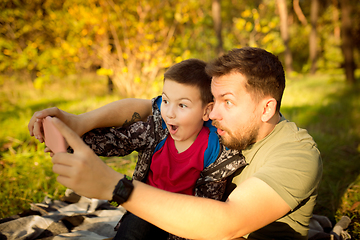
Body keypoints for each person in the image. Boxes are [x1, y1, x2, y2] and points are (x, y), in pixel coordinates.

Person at [29, 47, 322, 239]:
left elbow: (229, 222)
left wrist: (114, 186)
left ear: (267, 109)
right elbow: (146, 107)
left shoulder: (297, 154)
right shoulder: (217, 122)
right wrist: (80, 122)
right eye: (213, 101)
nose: (213, 113)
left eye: (227, 102)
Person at [30, 59, 246, 240]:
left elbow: (205, 211)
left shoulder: (215, 153)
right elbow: (116, 140)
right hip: (145, 206)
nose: (169, 113)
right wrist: (67, 141)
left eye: (182, 105)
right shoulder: (156, 130)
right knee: (132, 231)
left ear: (206, 111)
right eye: (166, 101)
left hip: (185, 219)